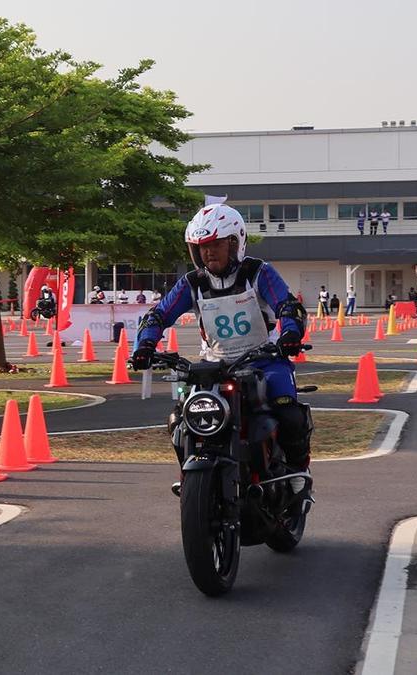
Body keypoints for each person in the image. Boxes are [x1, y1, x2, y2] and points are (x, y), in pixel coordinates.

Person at [131, 204, 312, 493]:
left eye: (215, 244)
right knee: (180, 419)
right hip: (213, 367)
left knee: (289, 413)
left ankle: (297, 473)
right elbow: (158, 315)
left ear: (235, 242)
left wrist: (290, 333)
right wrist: (145, 346)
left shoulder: (258, 272)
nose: (208, 252)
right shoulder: (192, 283)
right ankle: (191, 477)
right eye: (201, 247)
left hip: (263, 360)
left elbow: (287, 305)